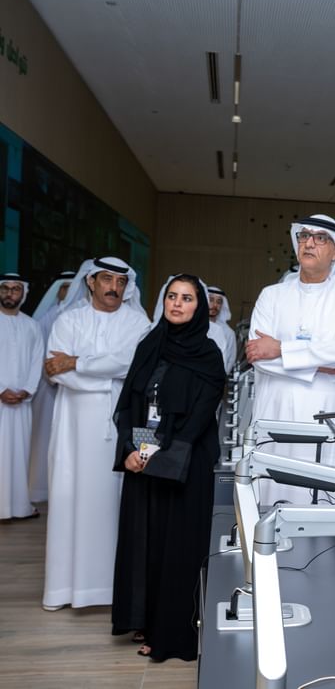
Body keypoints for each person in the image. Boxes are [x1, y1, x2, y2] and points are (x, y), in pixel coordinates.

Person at [111, 274, 226, 661]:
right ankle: (144, 618)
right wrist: (132, 448)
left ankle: (172, 633)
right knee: (146, 540)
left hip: (186, 462)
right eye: (172, 297)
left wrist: (162, 456)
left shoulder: (208, 354)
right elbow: (131, 401)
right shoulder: (150, 344)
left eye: (188, 298)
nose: (177, 304)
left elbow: (199, 417)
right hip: (145, 457)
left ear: (199, 307)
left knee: (178, 545)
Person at [42, 257, 150, 610]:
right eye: (107, 279)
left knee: (114, 503)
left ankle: (111, 590)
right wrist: (107, 376)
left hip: (117, 427)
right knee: (69, 497)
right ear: (90, 282)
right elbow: (55, 373)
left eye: (121, 281)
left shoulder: (139, 322)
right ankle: (63, 590)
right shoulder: (67, 321)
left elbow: (133, 365)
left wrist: (78, 362)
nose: (114, 288)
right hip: (73, 425)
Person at [246, 215, 335, 506]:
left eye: (320, 237)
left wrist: (281, 349)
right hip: (274, 413)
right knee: (267, 503)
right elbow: (257, 356)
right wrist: (321, 365)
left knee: (316, 505)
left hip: (322, 419)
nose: (309, 242)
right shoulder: (271, 296)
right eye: (304, 236)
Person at [29, 270, 76, 503]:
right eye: (64, 287)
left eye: (72, 286)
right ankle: (38, 489)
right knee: (43, 438)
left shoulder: (75, 316)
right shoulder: (46, 317)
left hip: (72, 389)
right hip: (45, 391)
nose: (68, 291)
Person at [0, 274, 44, 520]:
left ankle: (17, 506)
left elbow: (38, 361)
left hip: (22, 402)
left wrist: (27, 389)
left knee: (19, 455)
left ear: (23, 294)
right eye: (5, 288)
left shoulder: (32, 326)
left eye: (15, 289)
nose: (10, 293)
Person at [207, 285, 237, 373]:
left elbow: (230, 360)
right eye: (211, 300)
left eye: (219, 302)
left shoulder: (228, 333)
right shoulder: (192, 326)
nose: (215, 305)